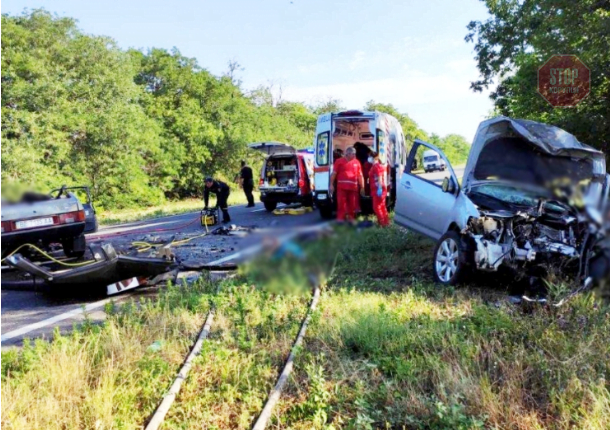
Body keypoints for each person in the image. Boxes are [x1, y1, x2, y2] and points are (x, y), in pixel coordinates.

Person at [330, 147, 364, 222]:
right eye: (353, 154)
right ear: (348, 154)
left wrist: (362, 187)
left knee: (352, 206)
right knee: (341, 206)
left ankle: (351, 221)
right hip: (342, 189)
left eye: (355, 154)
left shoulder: (357, 162)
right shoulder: (339, 161)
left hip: (353, 189)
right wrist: (331, 184)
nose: (355, 155)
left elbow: (360, 175)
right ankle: (340, 222)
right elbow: (334, 174)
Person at [368, 152, 390, 227]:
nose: (369, 158)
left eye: (369, 157)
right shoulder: (376, 166)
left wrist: (379, 188)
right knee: (382, 206)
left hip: (378, 189)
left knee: (376, 207)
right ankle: (386, 222)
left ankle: (382, 223)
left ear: (373, 158)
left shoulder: (376, 166)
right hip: (379, 188)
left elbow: (380, 177)